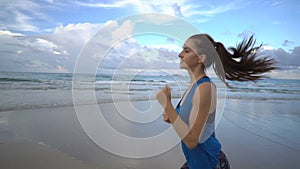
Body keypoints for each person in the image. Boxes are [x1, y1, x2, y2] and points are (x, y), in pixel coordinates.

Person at [156, 34, 276, 169]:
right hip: (194, 163)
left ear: (201, 58)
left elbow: (192, 141)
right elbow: (190, 123)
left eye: (187, 51)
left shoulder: (205, 88)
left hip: (210, 163)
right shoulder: (193, 86)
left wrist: (168, 106)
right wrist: (172, 117)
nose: (180, 54)